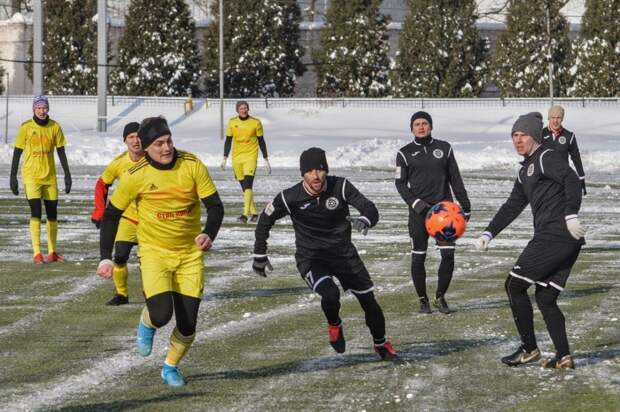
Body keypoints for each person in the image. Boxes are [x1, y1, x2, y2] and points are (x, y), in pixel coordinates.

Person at [96, 117, 224, 386]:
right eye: (159, 143)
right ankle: (147, 324)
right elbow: (111, 216)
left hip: (189, 255)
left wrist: (208, 234)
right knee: (162, 314)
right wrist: (105, 257)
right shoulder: (135, 175)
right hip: (154, 252)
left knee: (188, 323)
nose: (166, 148)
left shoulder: (191, 164)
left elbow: (215, 207)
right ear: (145, 147)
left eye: (169, 141)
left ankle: (170, 367)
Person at [253, 147, 398, 360]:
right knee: (330, 294)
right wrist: (259, 254)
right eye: (310, 171)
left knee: (369, 302)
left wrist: (366, 219)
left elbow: (369, 208)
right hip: (312, 258)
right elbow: (265, 219)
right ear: (303, 173)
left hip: (344, 255)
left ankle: (381, 343)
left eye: (320, 170)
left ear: (326, 171)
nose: (316, 175)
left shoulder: (341, 186)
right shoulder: (289, 197)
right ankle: (334, 324)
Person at [475, 112, 585, 369]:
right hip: (564, 239)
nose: (517, 139)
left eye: (522, 134)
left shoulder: (547, 156)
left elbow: (571, 180)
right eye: (514, 135)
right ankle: (564, 355)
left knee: (514, 285)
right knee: (546, 298)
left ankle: (529, 349)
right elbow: (512, 206)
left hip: (556, 234)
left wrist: (570, 214)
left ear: (534, 136)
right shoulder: (525, 170)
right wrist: (488, 233)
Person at [394, 111, 470, 314]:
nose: (421, 127)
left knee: (448, 256)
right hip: (419, 213)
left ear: (431, 126)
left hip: (444, 215)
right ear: (411, 128)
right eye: (417, 124)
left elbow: (456, 179)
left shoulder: (444, 148)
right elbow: (400, 184)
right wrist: (416, 203)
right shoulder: (404, 153)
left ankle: (440, 297)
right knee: (418, 258)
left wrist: (465, 205)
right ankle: (423, 301)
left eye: (425, 123)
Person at [10, 95, 72, 264]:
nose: (41, 110)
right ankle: (37, 253)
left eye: (44, 107)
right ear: (33, 109)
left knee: (52, 214)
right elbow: (17, 152)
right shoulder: (26, 127)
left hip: (50, 177)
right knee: (36, 211)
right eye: (38, 107)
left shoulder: (55, 127)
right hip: (31, 176)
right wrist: (12, 176)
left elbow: (61, 151)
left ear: (48, 108)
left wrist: (67, 174)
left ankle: (52, 252)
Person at [91, 122, 143, 306]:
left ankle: (152, 293)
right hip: (127, 219)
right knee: (120, 256)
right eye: (131, 137)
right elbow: (102, 184)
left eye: (138, 136)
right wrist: (99, 210)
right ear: (125, 141)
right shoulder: (119, 163)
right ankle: (121, 294)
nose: (136, 141)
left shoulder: (154, 159)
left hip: (150, 220)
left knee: (149, 259)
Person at [221, 100, 270, 223]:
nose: (244, 110)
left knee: (248, 184)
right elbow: (228, 141)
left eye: (246, 108)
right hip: (236, 158)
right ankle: (254, 213)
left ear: (248, 109)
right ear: (237, 110)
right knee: (245, 187)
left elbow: (261, 140)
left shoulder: (256, 122)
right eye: (241, 108)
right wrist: (225, 158)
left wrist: (265, 158)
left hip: (250, 156)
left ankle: (245, 214)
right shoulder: (232, 122)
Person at [542, 105, 586, 195]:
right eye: (553, 117)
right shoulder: (540, 134)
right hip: (544, 180)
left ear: (562, 119)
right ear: (549, 118)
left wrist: (581, 178)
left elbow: (576, 158)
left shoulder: (569, 136)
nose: (555, 121)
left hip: (561, 180)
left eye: (558, 117)